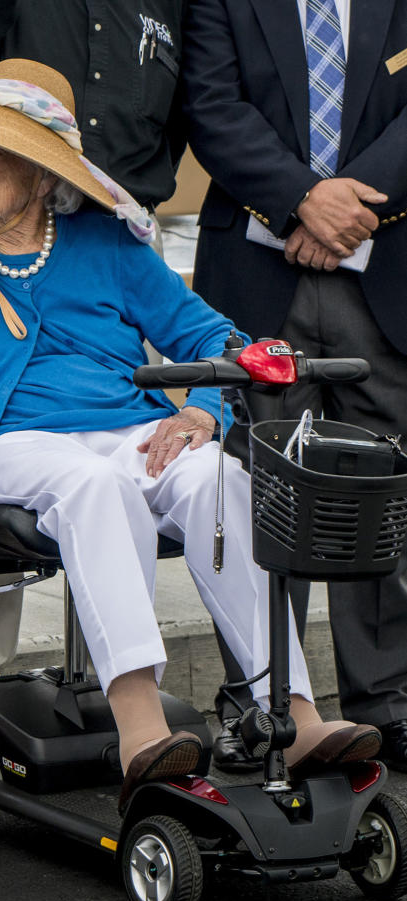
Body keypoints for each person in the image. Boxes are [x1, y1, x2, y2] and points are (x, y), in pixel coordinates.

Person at [0, 59, 381, 808]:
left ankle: (290, 709)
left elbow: (211, 335)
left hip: (126, 429)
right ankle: (137, 713)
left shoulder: (108, 244)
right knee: (92, 482)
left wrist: (200, 413)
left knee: (219, 474)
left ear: (44, 175)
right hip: (0, 443)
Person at [0, 0, 191, 689]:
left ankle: (117, 686)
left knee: (117, 450)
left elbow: (184, 105)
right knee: (0, 408)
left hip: (113, 226)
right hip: (0, 212)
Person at [183, 0, 407, 771]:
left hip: (380, 273)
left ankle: (385, 701)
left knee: (377, 490)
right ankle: (263, 703)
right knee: (254, 497)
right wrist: (301, 199)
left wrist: (346, 208)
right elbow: (208, 105)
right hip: (253, 274)